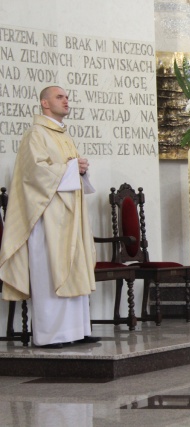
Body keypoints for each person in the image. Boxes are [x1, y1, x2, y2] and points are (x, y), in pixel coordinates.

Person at [0, 86, 100, 348]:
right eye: (59, 97)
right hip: (46, 218)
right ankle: (50, 335)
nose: (66, 101)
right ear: (44, 103)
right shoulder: (35, 134)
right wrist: (71, 167)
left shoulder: (63, 135)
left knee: (72, 269)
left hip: (68, 217)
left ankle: (76, 331)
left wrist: (80, 170)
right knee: (49, 272)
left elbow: (66, 172)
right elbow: (33, 173)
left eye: (67, 97)